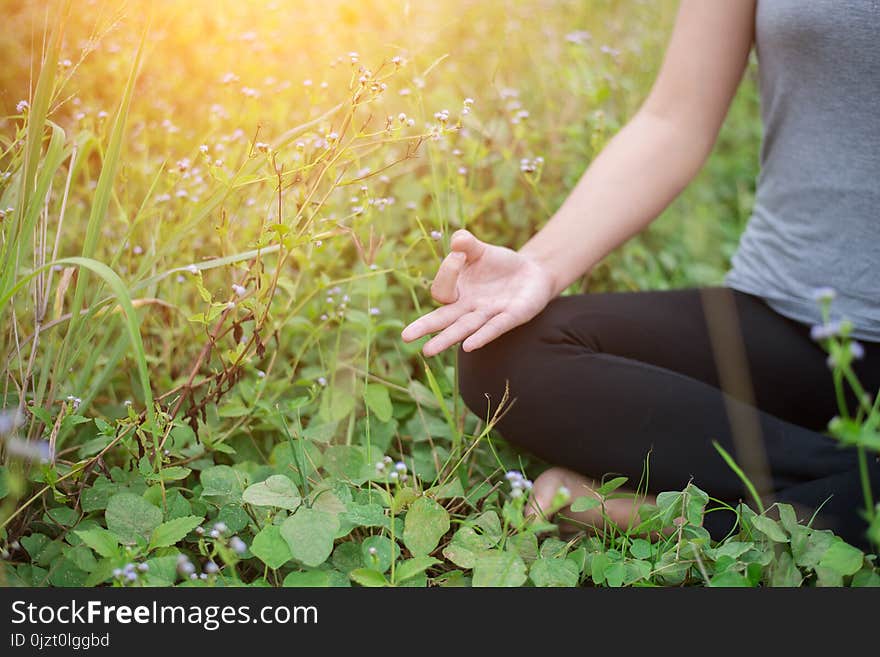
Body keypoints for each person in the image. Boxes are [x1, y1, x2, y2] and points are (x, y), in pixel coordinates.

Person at [400, 0, 879, 549]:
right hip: (789, 318)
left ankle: (684, 518)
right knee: (501, 355)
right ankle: (844, 493)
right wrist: (539, 266)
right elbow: (673, 120)